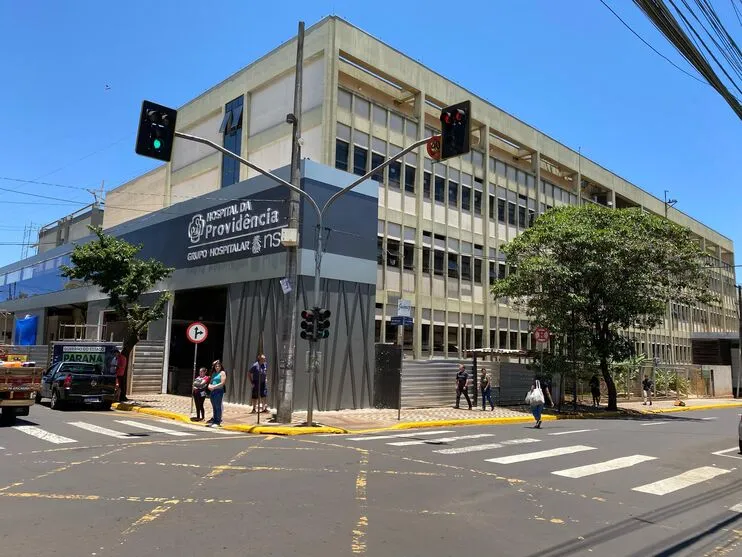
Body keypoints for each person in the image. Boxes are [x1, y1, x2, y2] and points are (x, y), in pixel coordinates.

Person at [207, 360, 227, 427]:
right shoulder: (214, 373)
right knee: (214, 407)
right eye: (216, 366)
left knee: (218, 406)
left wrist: (214, 387)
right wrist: (209, 386)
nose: (217, 367)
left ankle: (218, 422)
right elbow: (211, 382)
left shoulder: (222, 373)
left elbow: (222, 383)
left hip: (218, 391)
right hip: (213, 391)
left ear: (221, 366)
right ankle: (214, 420)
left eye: (218, 366)